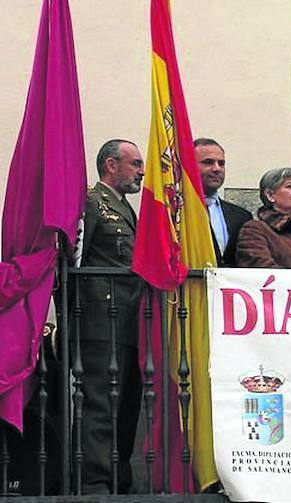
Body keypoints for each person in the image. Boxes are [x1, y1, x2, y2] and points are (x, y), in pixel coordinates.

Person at [77, 139, 145, 494]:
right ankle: (95, 482)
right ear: (110, 165)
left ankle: (119, 478)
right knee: (101, 404)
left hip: (129, 319)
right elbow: (74, 260)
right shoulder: (91, 202)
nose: (141, 171)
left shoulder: (124, 207)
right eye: (134, 164)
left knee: (127, 403)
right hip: (100, 318)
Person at [194, 138, 252, 266]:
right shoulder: (176, 214)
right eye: (208, 162)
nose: (217, 169)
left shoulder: (242, 216)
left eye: (221, 163)